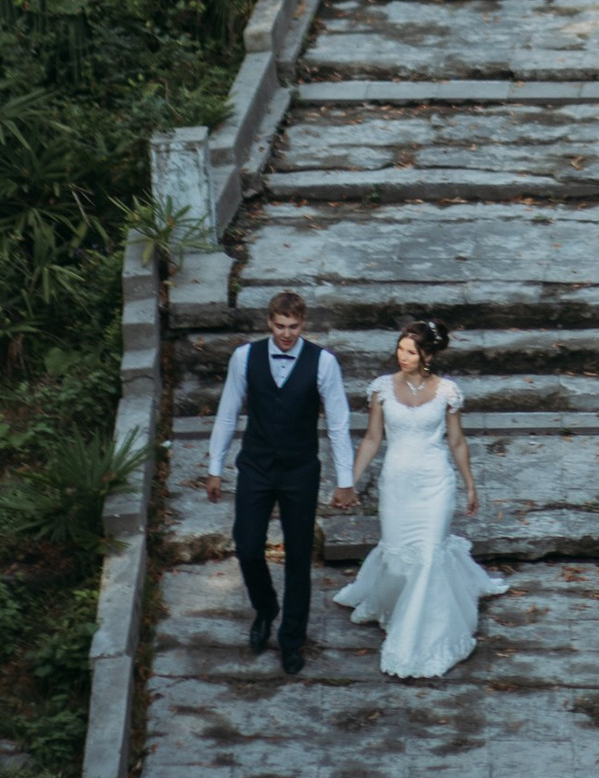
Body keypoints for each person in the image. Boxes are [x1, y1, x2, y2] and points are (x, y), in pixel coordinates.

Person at [336, 313, 510, 682]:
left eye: (411, 352)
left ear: (427, 356)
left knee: (429, 556)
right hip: (397, 484)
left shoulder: (447, 391)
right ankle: (393, 606)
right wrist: (348, 479)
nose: (403, 356)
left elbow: (457, 441)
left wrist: (470, 484)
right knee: (400, 559)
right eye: (400, 349)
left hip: (436, 484)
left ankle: (423, 640)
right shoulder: (381, 388)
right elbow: (371, 439)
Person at [203, 287, 353, 673]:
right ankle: (266, 608)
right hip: (255, 465)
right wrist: (215, 467)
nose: (287, 333)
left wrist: (345, 479)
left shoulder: (323, 363)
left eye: (294, 326)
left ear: (304, 325)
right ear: (269, 322)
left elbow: (338, 423)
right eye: (280, 325)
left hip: (301, 469)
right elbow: (227, 412)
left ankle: (292, 639)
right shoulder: (244, 357)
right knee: (248, 544)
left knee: (299, 557)